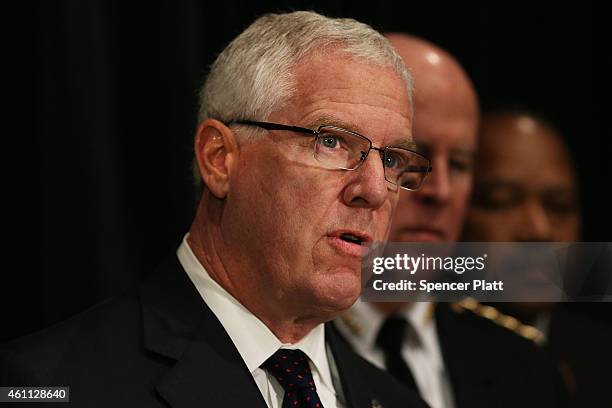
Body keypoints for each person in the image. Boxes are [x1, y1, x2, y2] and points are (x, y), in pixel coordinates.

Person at [0, 12, 431, 408]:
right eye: (331, 141)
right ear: (219, 158)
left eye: (392, 159)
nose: (374, 189)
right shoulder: (50, 385)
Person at [334, 34, 561, 408]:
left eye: (458, 164)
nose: (438, 190)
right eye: (409, 156)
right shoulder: (290, 352)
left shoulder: (522, 363)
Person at [462, 108, 612, 407]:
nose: (538, 230)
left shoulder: (601, 361)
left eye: (559, 206)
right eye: (501, 201)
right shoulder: (412, 356)